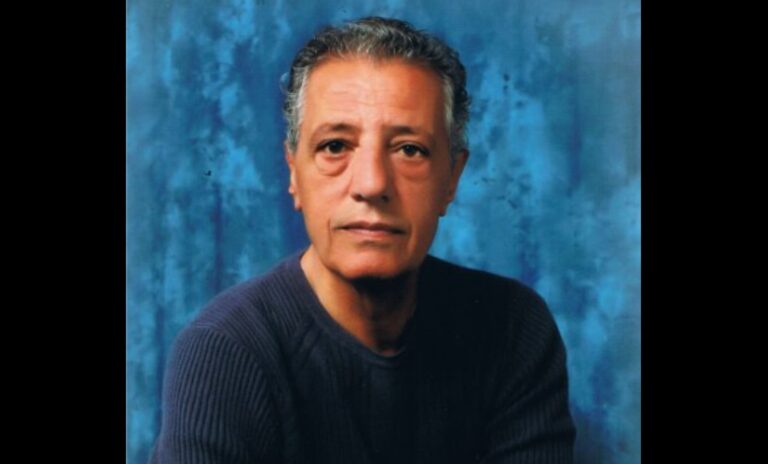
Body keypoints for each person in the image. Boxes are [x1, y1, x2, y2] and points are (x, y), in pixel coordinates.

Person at [149, 16, 576, 464]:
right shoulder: (225, 354)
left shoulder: (512, 329)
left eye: (409, 149)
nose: (372, 184)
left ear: (451, 178)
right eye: (335, 146)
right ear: (294, 172)